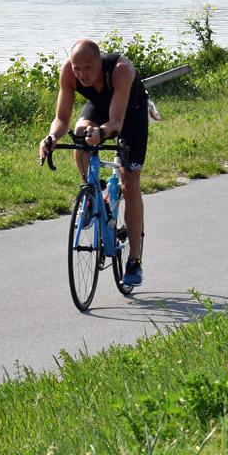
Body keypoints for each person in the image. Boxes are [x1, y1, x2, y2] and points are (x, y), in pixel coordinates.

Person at [38, 39, 153, 286]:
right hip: (100, 108)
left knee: (130, 183)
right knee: (80, 134)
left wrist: (101, 133)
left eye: (88, 68)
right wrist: (51, 138)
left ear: (100, 63)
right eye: (77, 68)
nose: (82, 74)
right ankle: (94, 193)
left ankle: (134, 261)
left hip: (128, 115)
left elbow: (116, 122)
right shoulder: (69, 71)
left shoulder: (122, 70)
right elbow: (61, 118)